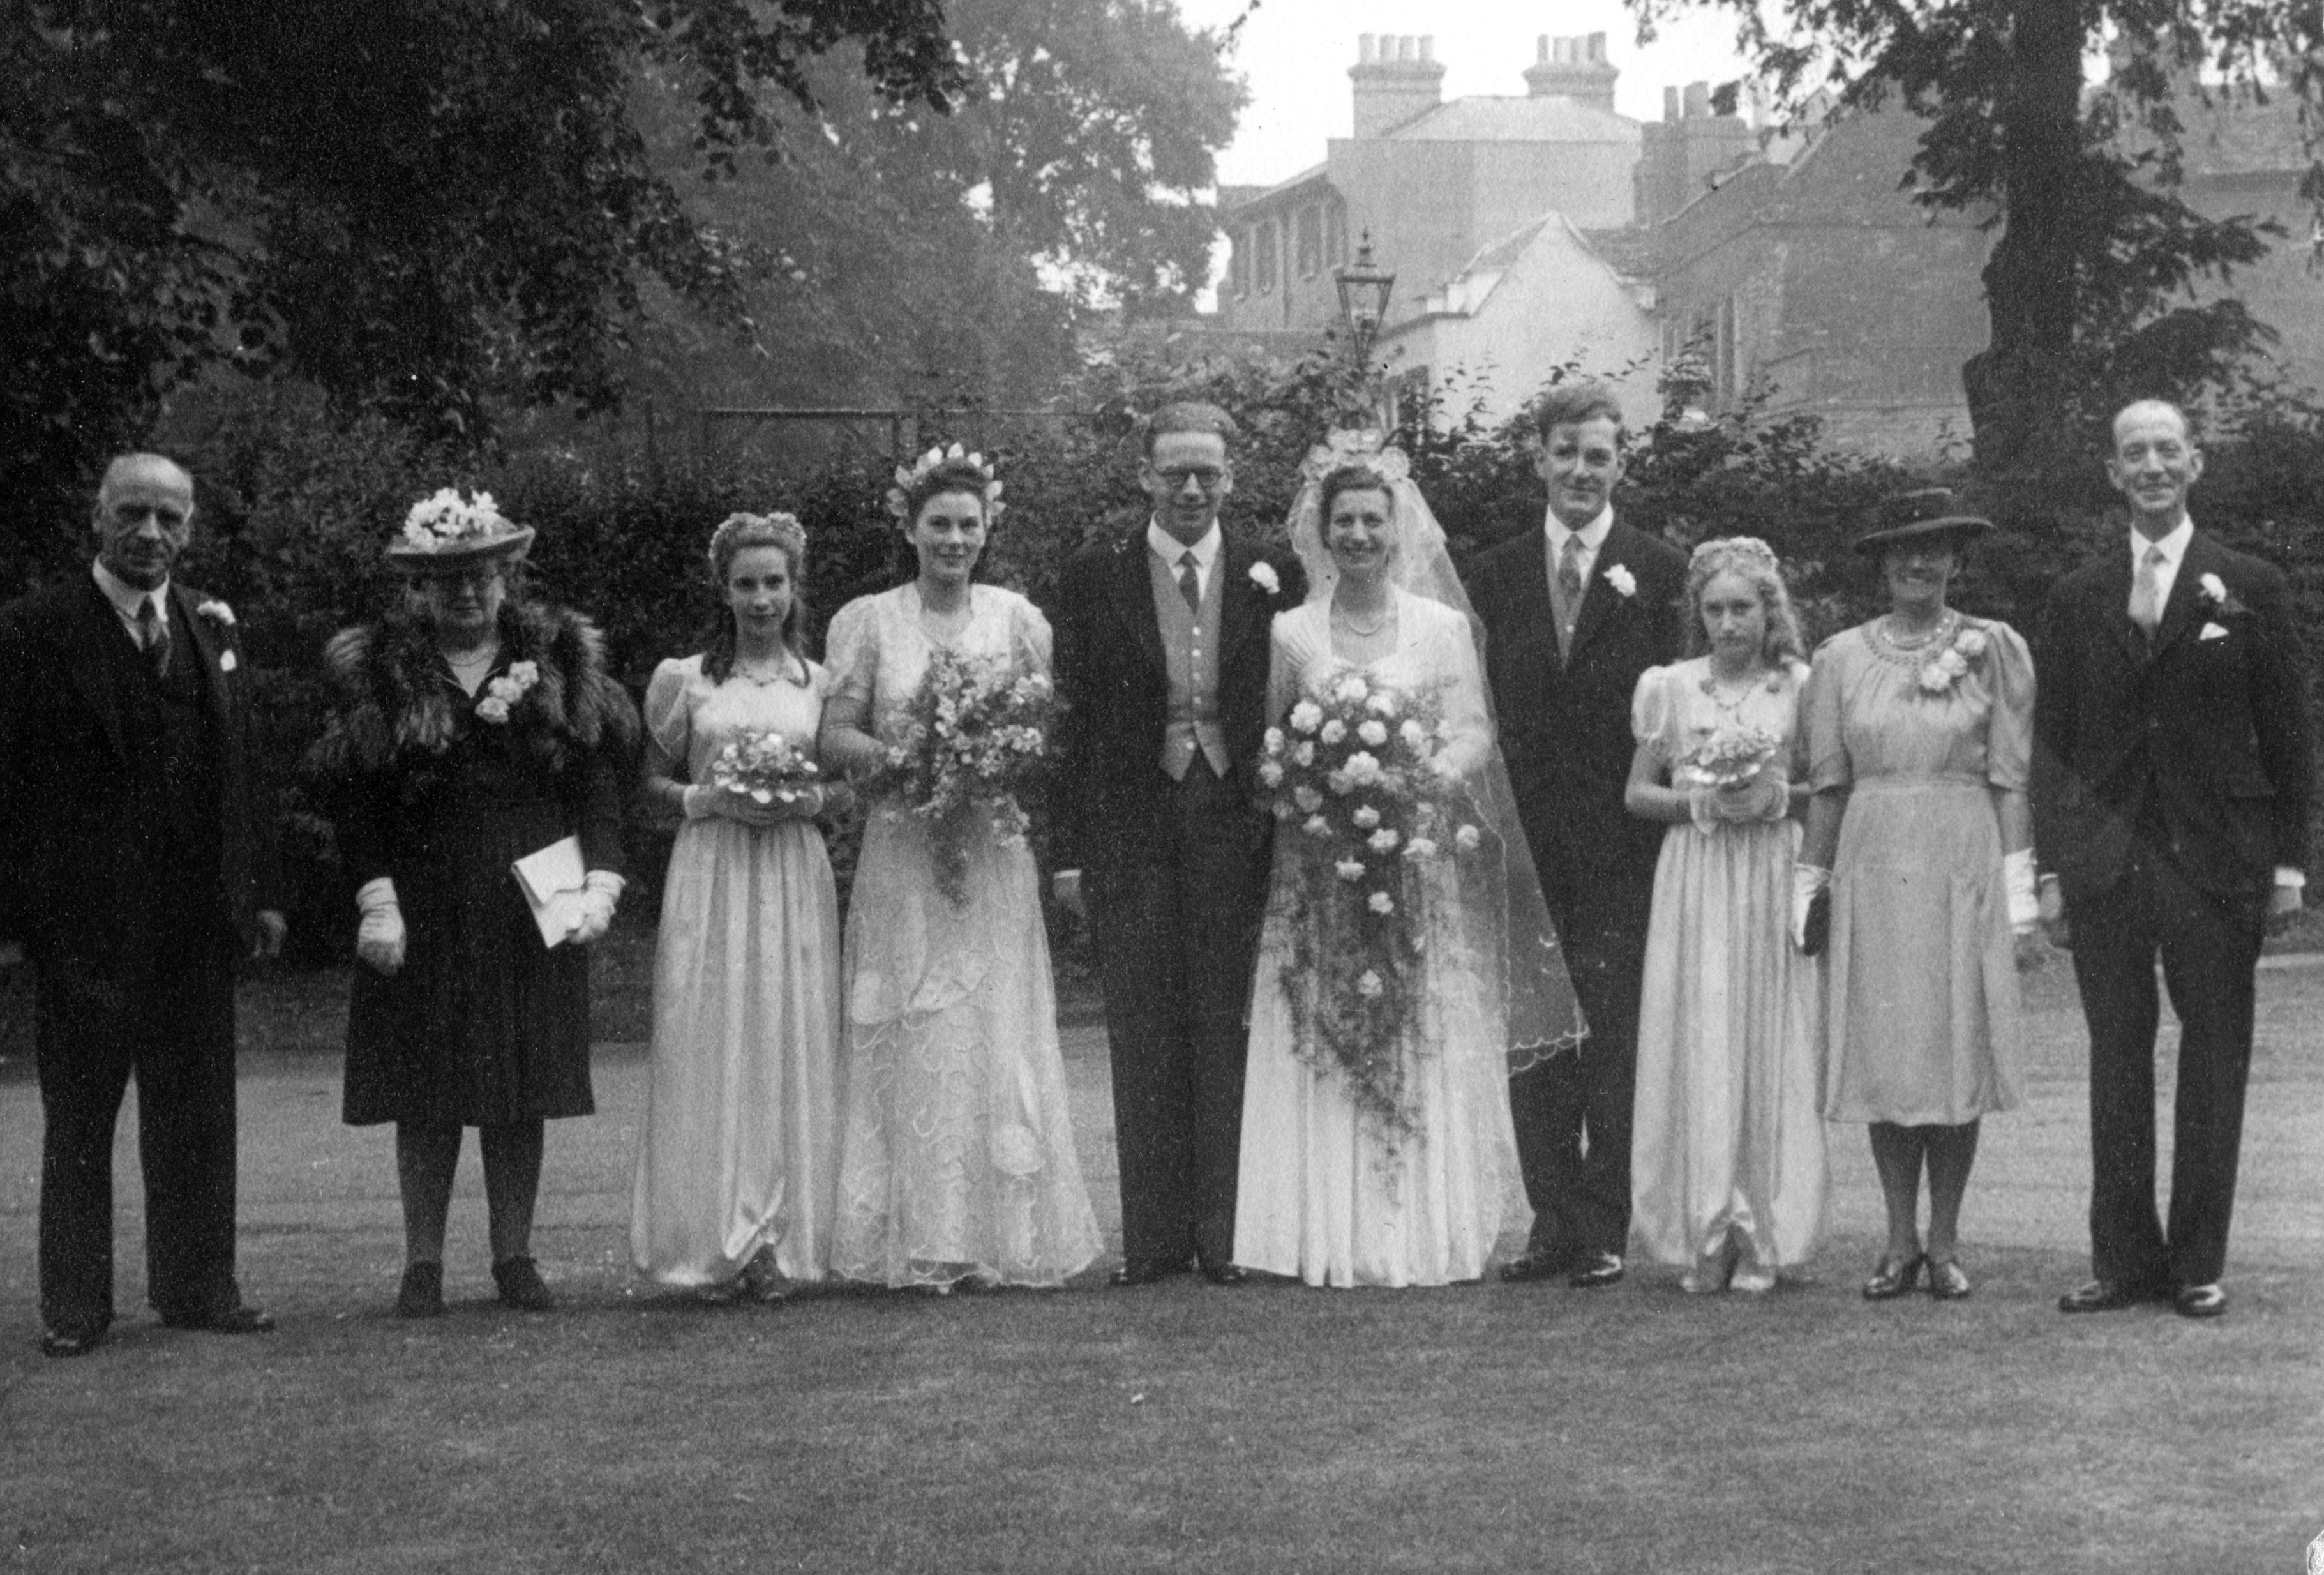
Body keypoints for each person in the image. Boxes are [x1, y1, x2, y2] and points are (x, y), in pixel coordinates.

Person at [1232, 443, 1584, 1287]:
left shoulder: (1441, 627)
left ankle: (1418, 1230)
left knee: (1414, 1034)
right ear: (1321, 533)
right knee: (1323, 1029)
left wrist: (1423, 776)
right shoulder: (1292, 630)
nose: (1358, 534)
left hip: (1413, 858)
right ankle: (1321, 1232)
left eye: (1372, 520)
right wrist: (1310, 787)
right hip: (1318, 871)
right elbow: (1271, 742)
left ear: (1398, 530)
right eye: (1343, 520)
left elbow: (1473, 729)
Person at [306, 488, 636, 1318]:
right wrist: (376, 896)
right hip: (424, 892)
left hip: (535, 887)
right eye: (445, 578)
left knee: (521, 1082)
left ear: (507, 576)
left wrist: (602, 880)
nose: (465, 592)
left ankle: (514, 1254)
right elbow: (354, 797)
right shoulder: (380, 668)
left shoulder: (558, 658)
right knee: (427, 1086)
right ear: (417, 585)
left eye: (481, 575)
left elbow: (596, 779)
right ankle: (423, 1262)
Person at [0, 454, 285, 1357]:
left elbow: (243, 769)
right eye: (134, 512)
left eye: (170, 516)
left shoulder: (210, 625)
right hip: (82, 925)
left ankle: (200, 1286)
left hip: (194, 921)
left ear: (191, 526)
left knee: (198, 1111)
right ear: (97, 516)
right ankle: (77, 1305)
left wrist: (260, 893)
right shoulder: (31, 630)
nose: (151, 532)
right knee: (81, 1117)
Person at [2036, 400, 2313, 1322]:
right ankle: (2122, 1262)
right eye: (2133, 453)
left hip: (2215, 857)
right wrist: (2047, 866)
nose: (2151, 465)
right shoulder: (2077, 594)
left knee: (2214, 1052)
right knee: (2117, 1053)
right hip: (2107, 857)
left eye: (2166, 449)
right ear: (2112, 473)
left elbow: (2288, 736)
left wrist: (2288, 868)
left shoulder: (2247, 584)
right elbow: (2054, 742)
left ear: (2194, 463)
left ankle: (2198, 1260)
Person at [818, 446, 1101, 1290]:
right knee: (916, 1030)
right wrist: (907, 756)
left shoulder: (1017, 618)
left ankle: (1000, 1237)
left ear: (988, 531)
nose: (953, 538)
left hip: (990, 856)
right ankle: (923, 1238)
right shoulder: (868, 620)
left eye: (967, 525)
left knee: (994, 1030)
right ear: (909, 529)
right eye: (937, 523)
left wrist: (989, 757)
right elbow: (832, 735)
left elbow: (1046, 730)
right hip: (906, 853)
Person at [1047, 403, 1306, 1286]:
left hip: (1234, 819)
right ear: (1144, 477)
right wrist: (1071, 850)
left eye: (1209, 473)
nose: (1192, 489)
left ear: (1231, 478)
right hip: (1132, 821)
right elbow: (1072, 723)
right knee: (1143, 1023)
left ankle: (1226, 1235)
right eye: (1174, 473)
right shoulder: (1093, 576)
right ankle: (1155, 1239)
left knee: (1225, 1022)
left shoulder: (1276, 570)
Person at [1467, 380, 1688, 1289]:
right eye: (1566, 452)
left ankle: (1604, 1221)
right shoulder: (1490, 573)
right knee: (1534, 1037)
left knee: (1614, 1034)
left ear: (1620, 464)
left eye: (1599, 455)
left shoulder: (1662, 570)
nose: (1581, 470)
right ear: (1539, 459)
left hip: (1623, 843)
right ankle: (1550, 1217)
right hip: (1519, 842)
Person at [1796, 488, 2037, 1302]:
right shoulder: (1835, 659)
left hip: (1959, 856)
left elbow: (2009, 779)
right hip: (1870, 860)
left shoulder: (1993, 648)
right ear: (1880, 563)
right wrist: (1807, 888)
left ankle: (1944, 1240)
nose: (1918, 561)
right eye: (1902, 548)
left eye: (1934, 547)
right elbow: (1826, 786)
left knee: (1953, 1048)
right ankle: (1896, 1240)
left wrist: (2020, 898)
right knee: (1887, 1057)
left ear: (1956, 560)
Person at [629, 513, 846, 1302]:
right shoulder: (684, 680)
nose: (762, 600)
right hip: (712, 868)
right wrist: (704, 796)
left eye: (774, 584)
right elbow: (645, 787)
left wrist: (807, 795)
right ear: (723, 590)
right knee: (711, 1039)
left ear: (794, 589)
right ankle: (713, 1239)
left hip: (791, 868)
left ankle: (782, 1240)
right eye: (746, 584)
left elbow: (849, 781)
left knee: (788, 1038)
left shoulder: (818, 682)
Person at [1624, 538, 1824, 1293]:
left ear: (1768, 609)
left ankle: (1764, 1231)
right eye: (1714, 608)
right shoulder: (1669, 686)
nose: (1728, 622)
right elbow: (1636, 792)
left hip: (1770, 866)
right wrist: (1699, 801)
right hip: (1699, 873)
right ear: (1697, 614)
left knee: (1770, 1040)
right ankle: (1704, 1229)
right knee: (1703, 1036)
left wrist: (1778, 796)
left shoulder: (1798, 686)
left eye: (1742, 606)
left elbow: (1826, 784)